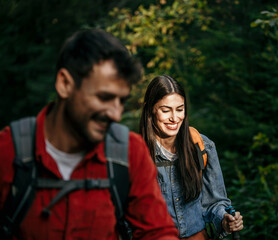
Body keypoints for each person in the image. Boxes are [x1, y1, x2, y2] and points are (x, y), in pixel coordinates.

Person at [0, 29, 179, 240]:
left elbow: (157, 232)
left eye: (121, 101)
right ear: (65, 84)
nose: (116, 114)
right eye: (104, 98)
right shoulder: (8, 151)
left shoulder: (130, 152)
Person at [139, 75, 244, 239]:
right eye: (166, 110)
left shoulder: (202, 146)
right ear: (149, 109)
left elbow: (214, 203)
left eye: (180, 109)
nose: (174, 118)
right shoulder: (135, 156)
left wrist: (224, 220)